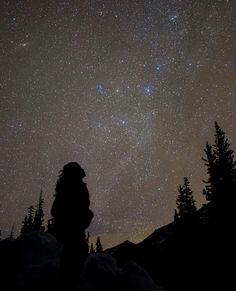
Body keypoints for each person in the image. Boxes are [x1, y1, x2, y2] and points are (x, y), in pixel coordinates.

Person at [51, 162, 93, 287]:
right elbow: (84, 206)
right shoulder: (78, 186)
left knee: (68, 259)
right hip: (74, 227)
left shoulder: (63, 186)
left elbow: (55, 210)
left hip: (66, 227)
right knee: (75, 258)